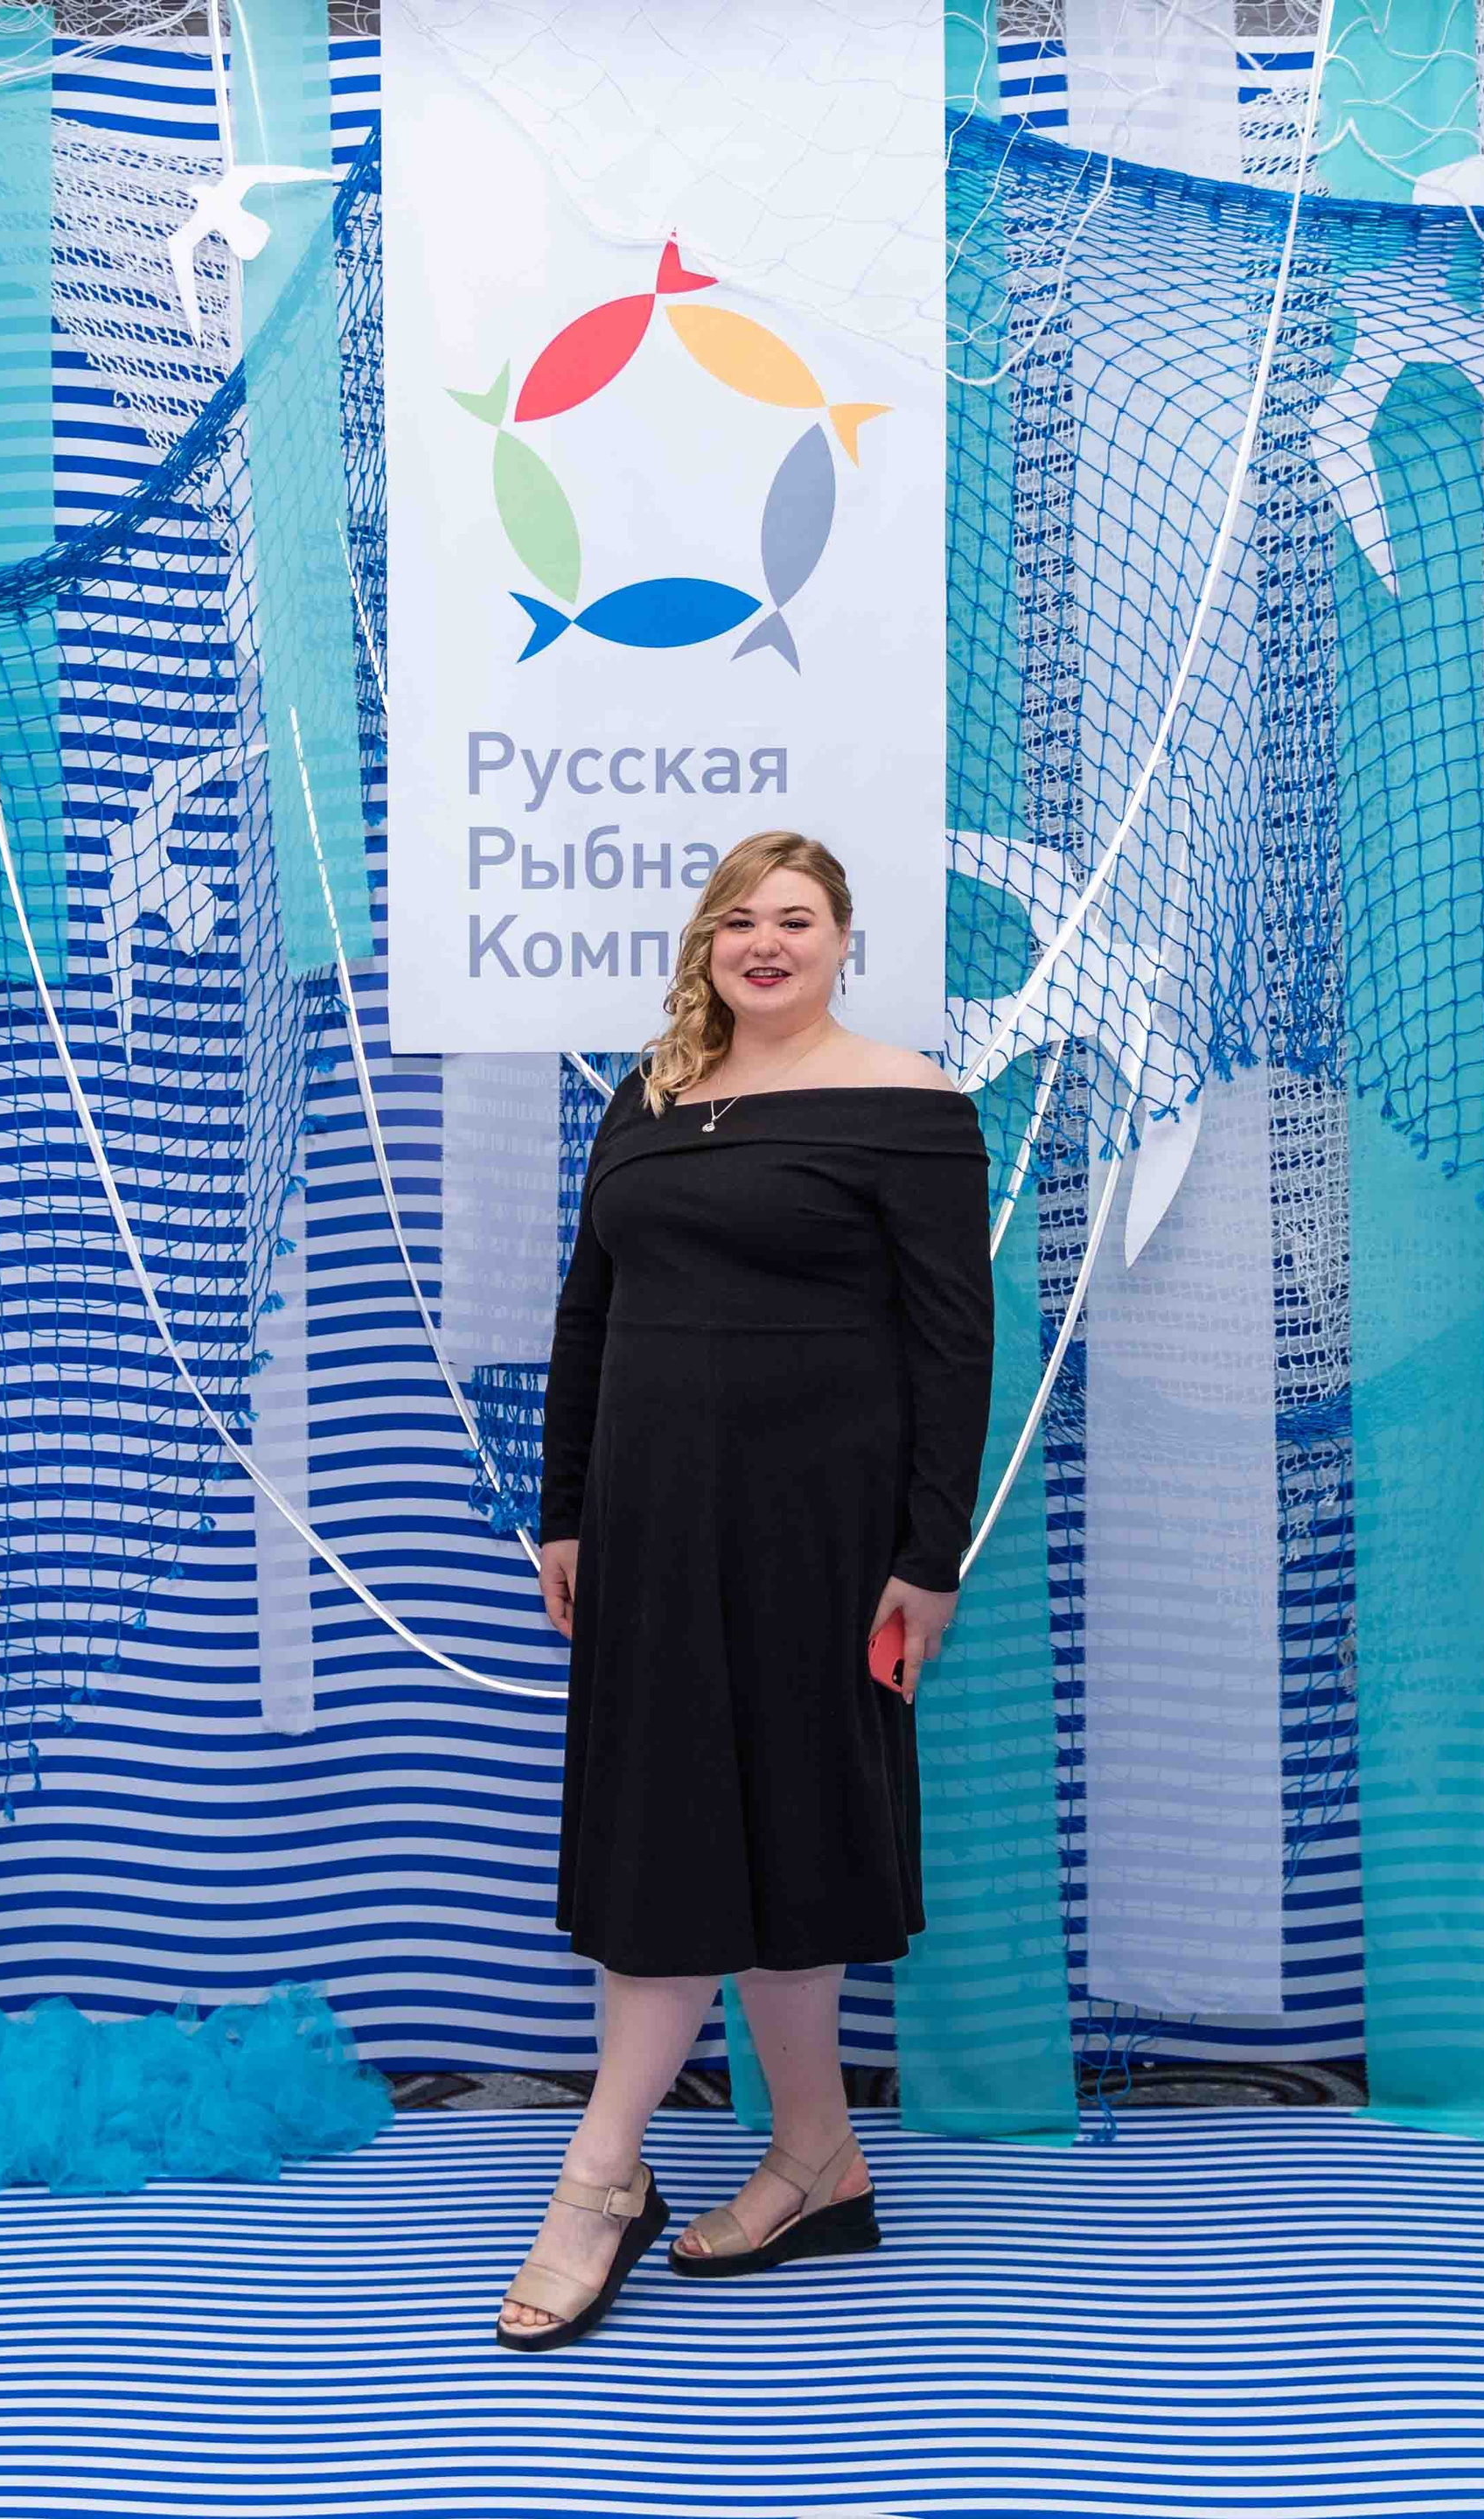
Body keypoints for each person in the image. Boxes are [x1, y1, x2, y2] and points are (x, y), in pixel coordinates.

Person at [496, 829, 993, 2350]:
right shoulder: (645, 1101)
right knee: (695, 1841)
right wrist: (565, 1512)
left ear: (843, 943)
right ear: (706, 946)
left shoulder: (912, 1103)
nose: (765, 942)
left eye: (796, 919)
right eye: (738, 921)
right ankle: (819, 2158)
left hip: (821, 1538)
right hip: (650, 1529)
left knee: (773, 1838)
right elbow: (587, 1318)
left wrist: (928, 1558)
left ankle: (599, 2178)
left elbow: (952, 1348)